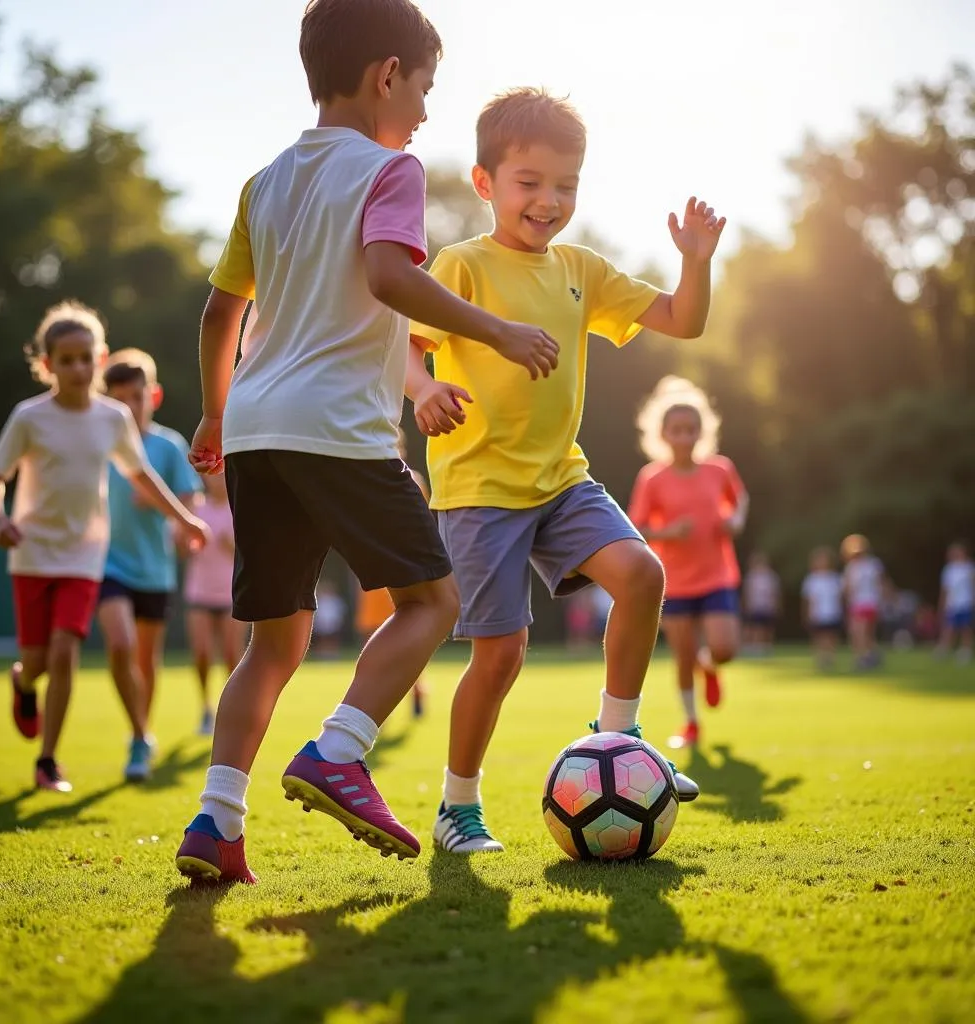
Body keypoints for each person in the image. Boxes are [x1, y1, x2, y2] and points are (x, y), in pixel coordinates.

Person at [174, 0, 560, 886]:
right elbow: (390, 276)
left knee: (273, 644)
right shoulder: (394, 169)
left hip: (259, 434)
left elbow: (220, 310)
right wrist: (497, 333)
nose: (425, 109)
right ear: (389, 74)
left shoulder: (264, 180)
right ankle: (341, 751)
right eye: (424, 87)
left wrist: (214, 412)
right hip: (336, 431)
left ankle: (216, 822)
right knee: (433, 602)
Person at [408, 88, 720, 854]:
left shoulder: (581, 268)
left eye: (566, 186)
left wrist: (695, 263)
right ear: (485, 183)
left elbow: (684, 320)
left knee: (643, 576)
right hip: (480, 492)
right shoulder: (460, 265)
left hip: (561, 481)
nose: (549, 201)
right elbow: (403, 347)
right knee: (502, 653)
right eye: (530, 182)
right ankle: (458, 808)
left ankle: (620, 742)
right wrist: (424, 388)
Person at [0, 302, 208, 793]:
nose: (79, 368)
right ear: (47, 366)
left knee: (66, 653)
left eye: (87, 358)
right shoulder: (29, 418)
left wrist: (186, 519)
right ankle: (22, 681)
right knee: (39, 661)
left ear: (99, 360)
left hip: (87, 558)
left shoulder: (112, 419)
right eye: (67, 360)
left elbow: (141, 475)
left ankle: (48, 762)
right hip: (33, 555)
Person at [97, 349, 203, 782]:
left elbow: (190, 502)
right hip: (106, 563)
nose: (129, 406)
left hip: (155, 570)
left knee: (146, 659)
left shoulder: (169, 445)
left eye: (136, 397)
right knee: (119, 645)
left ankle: (142, 734)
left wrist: (170, 515)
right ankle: (140, 735)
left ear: (153, 395)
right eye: (118, 398)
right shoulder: (99, 441)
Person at [629, 376, 748, 751]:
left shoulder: (720, 469)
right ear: (662, 434)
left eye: (690, 430)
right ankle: (691, 723)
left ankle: (710, 665)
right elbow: (636, 527)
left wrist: (736, 520)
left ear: (702, 432)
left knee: (725, 648)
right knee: (682, 657)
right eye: (676, 430)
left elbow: (740, 499)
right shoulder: (652, 478)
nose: (683, 437)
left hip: (717, 576)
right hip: (674, 582)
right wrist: (667, 533)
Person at [353, 431, 430, 716]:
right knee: (371, 635)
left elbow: (421, 527)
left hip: (403, 567)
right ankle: (369, 702)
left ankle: (416, 690)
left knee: (406, 633)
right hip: (375, 569)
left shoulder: (413, 481)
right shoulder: (366, 482)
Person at [183, 471, 247, 736]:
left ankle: (233, 711)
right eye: (212, 476)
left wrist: (233, 546)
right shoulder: (195, 508)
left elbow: (254, 551)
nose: (217, 480)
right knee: (202, 653)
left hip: (232, 595)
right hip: (199, 594)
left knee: (233, 656)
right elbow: (181, 544)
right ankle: (206, 709)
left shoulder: (238, 508)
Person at [840, 534, 886, 669]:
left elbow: (880, 583)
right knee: (860, 633)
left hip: (868, 603)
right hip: (858, 604)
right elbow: (848, 588)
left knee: (861, 632)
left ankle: (863, 658)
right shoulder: (852, 567)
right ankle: (868, 656)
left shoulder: (872, 564)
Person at [801, 546, 842, 671]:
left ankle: (830, 657)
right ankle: (820, 658)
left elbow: (840, 596)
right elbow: (807, 599)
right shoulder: (812, 579)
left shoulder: (835, 578)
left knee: (831, 636)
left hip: (832, 612)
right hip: (817, 613)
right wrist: (807, 614)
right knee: (819, 636)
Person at [937, 541, 974, 664]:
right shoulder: (949, 569)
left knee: (965, 628)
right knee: (949, 627)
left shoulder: (969, 568)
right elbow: (945, 589)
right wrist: (942, 604)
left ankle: (965, 651)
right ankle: (944, 650)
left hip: (965, 602)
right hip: (952, 603)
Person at [741, 551, 781, 655]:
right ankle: (754, 646)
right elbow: (747, 592)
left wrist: (775, 604)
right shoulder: (751, 577)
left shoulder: (771, 577)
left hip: (767, 606)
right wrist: (746, 604)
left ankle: (767, 646)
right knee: (755, 626)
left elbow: (775, 593)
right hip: (754, 606)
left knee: (767, 627)